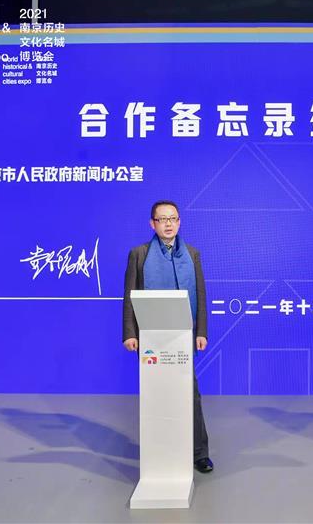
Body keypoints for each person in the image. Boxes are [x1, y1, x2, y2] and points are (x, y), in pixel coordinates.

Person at [122, 200, 213, 473]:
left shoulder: (192, 254)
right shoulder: (139, 254)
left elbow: (201, 295)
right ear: (152, 224)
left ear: (179, 222)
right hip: (151, 336)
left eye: (173, 218)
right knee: (157, 394)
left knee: (190, 393)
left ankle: (199, 453)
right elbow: (129, 296)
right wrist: (129, 333)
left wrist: (201, 331)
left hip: (182, 336)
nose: (168, 224)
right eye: (162, 219)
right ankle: (161, 451)